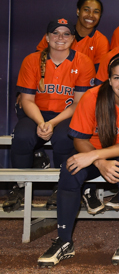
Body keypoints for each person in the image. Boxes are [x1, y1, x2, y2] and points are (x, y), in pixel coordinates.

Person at [37, 53, 119, 267]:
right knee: (71, 169)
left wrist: (94, 156)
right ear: (109, 80)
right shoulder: (93, 96)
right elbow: (79, 139)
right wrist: (99, 162)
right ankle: (64, 241)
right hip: (95, 151)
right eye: (117, 78)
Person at [5, 18, 95, 213]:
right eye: (55, 33)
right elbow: (27, 100)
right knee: (22, 135)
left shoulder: (83, 61)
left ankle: (61, 186)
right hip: (35, 112)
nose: (60, 37)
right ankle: (19, 187)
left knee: (65, 136)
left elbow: (79, 104)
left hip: (65, 115)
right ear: (47, 37)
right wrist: (41, 122)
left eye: (66, 33)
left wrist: (52, 123)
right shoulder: (32, 60)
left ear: (73, 39)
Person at [36, 0, 109, 68]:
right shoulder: (56, 34)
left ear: (100, 16)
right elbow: (36, 61)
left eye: (96, 12)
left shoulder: (101, 41)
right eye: (86, 10)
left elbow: (99, 73)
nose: (90, 15)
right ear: (78, 11)